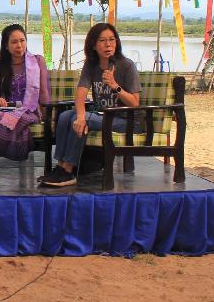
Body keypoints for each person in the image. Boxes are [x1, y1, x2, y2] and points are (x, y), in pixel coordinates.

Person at [41, 22, 142, 188]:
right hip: (103, 116)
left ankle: (69, 171)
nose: (108, 44)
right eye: (102, 40)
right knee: (66, 116)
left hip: (127, 120)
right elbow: (81, 92)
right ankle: (60, 167)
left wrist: (115, 86)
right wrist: (80, 116)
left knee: (84, 119)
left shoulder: (126, 65)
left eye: (112, 39)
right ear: (94, 45)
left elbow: (135, 102)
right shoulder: (91, 65)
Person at [0, 24, 50, 175]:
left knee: (6, 118)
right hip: (3, 108)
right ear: (6, 45)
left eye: (22, 40)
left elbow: (43, 91)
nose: (19, 46)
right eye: (14, 42)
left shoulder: (37, 61)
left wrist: (46, 114)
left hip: (28, 110)